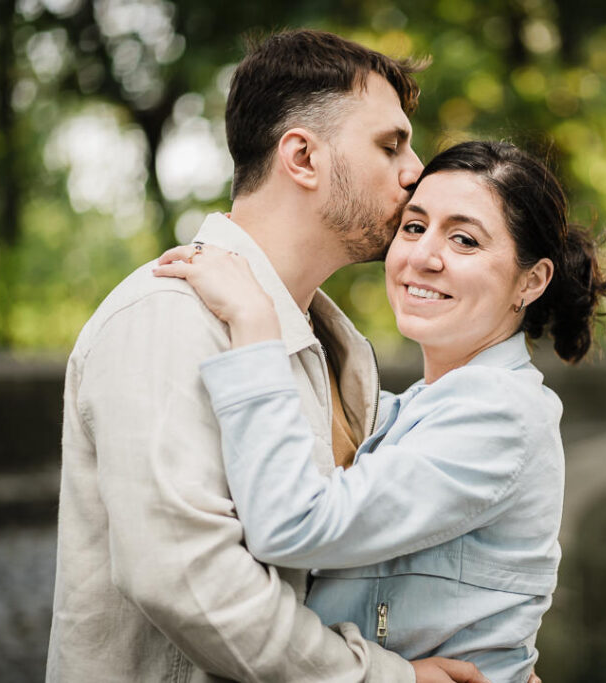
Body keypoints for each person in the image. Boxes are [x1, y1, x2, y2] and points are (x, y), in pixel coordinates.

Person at [47, 29, 491, 682]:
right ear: (303, 157)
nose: (414, 170)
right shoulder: (169, 314)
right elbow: (186, 578)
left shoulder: (339, 349)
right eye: (390, 144)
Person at [153, 141, 606, 681]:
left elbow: (294, 525)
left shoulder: (501, 413)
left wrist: (257, 326)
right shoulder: (414, 407)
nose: (423, 257)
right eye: (415, 227)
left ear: (531, 281)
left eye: (464, 240)